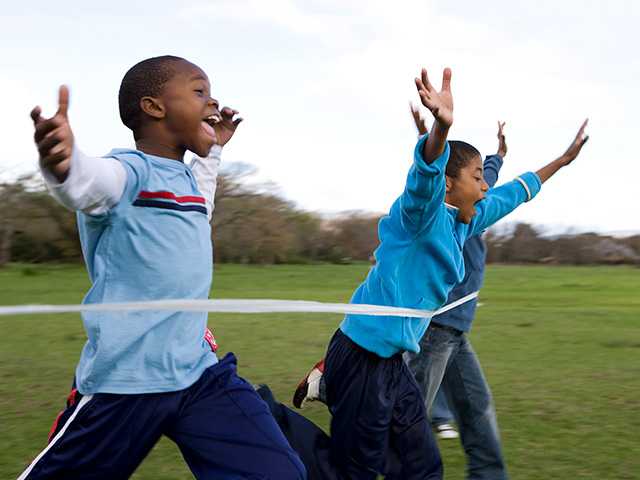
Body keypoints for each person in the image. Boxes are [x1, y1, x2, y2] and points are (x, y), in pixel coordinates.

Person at [288, 66, 588, 479]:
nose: (485, 186)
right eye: (478, 177)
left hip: (393, 362)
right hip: (363, 356)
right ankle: (271, 420)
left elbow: (517, 191)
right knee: (354, 469)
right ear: (449, 185)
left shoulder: (468, 220)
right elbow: (426, 174)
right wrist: (441, 129)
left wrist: (563, 161)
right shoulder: (421, 215)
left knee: (422, 466)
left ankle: (329, 383)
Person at [20, 55, 305, 480]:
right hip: (126, 382)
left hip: (198, 373)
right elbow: (86, 181)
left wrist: (215, 149)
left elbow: (200, 201)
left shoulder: (187, 182)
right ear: (154, 107)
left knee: (279, 473)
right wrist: (61, 162)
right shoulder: (127, 173)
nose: (213, 100)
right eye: (198, 91)